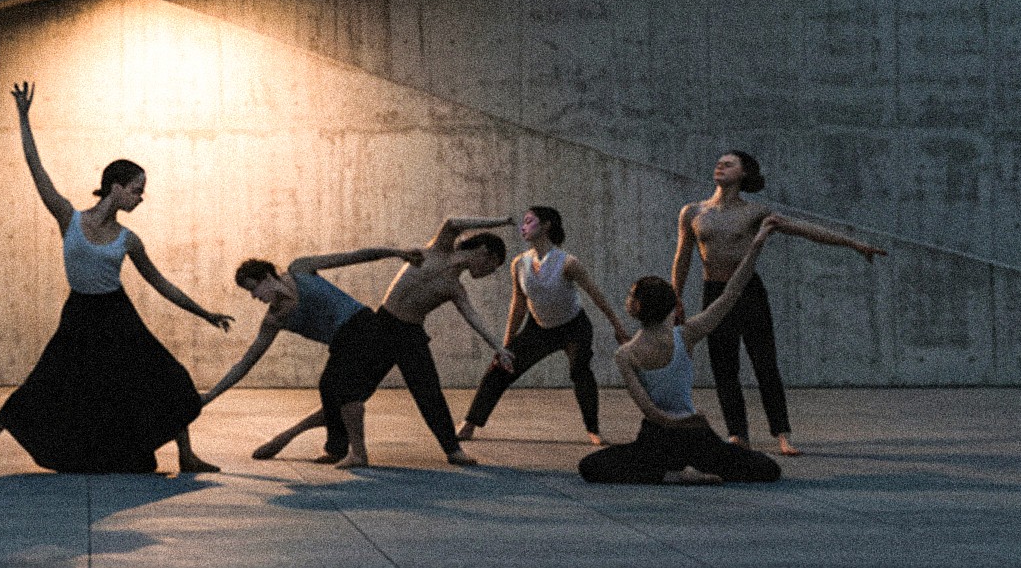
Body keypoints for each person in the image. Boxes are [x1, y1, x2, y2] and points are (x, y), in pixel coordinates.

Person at [0, 82, 233, 476]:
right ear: (116, 187)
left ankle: (186, 455)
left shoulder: (129, 240)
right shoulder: (68, 218)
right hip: (80, 313)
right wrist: (23, 118)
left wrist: (205, 314)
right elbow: (37, 170)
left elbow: (162, 284)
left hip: (117, 315)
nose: (141, 197)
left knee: (167, 377)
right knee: (45, 382)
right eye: (137, 190)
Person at [247, 216, 514, 470]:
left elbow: (473, 317)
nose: (490, 272)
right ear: (484, 251)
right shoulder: (438, 249)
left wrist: (498, 347)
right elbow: (453, 222)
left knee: (428, 391)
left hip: (409, 335)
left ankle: (452, 450)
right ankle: (312, 441)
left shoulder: (455, 287)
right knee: (349, 395)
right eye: (494, 265)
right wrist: (501, 221)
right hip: (381, 327)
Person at [670, 148, 886, 456]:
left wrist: (851, 243)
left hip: (749, 292)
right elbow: (682, 258)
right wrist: (674, 298)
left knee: (765, 363)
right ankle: (737, 435)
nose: (720, 164)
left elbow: (805, 230)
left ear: (743, 173)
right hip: (715, 292)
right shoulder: (692, 212)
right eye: (719, 161)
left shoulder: (755, 212)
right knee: (724, 366)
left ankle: (782, 434)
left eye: (729, 163)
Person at [579, 227, 785, 484]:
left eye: (631, 295)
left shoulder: (626, 354)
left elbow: (653, 413)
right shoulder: (686, 335)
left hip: (657, 439)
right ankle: (689, 470)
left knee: (591, 466)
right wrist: (754, 248)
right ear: (670, 307)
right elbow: (730, 294)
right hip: (696, 435)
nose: (628, 298)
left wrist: (675, 422)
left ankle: (669, 475)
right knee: (767, 468)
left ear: (636, 308)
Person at [201, 246, 420, 462]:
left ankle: (356, 453)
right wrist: (212, 395)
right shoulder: (275, 319)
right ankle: (337, 449)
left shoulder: (301, 269)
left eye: (253, 288)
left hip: (364, 324)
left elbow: (350, 257)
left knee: (336, 386)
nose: (253, 297)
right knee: (332, 391)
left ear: (267, 277)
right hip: (343, 344)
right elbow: (246, 362)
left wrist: (396, 252)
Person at [458, 204, 628, 443]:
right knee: (499, 369)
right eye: (523, 222)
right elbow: (517, 305)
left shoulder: (568, 263)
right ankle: (470, 422)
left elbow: (596, 295)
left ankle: (593, 430)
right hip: (537, 328)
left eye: (529, 221)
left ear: (546, 225)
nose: (523, 226)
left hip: (573, 327)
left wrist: (618, 328)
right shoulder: (519, 263)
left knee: (580, 372)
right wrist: (506, 345)